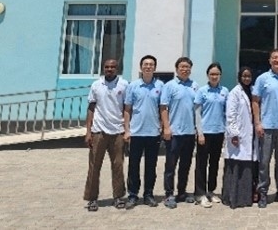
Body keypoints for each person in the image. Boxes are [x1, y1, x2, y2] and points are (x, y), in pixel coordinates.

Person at [83, 58, 129, 211]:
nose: (109, 69)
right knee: (94, 166)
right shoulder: (96, 85)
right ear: (103, 68)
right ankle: (92, 198)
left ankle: (118, 196)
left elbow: (127, 109)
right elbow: (91, 108)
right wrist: (88, 131)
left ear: (117, 69)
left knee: (118, 166)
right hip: (99, 131)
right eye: (107, 67)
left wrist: (127, 130)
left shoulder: (124, 85)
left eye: (112, 67)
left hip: (117, 131)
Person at [252, 48, 278, 207]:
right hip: (267, 126)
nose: (277, 60)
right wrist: (258, 123)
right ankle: (263, 192)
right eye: (274, 58)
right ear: (270, 60)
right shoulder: (262, 79)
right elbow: (255, 101)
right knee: (264, 161)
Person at [124, 54, 164, 208]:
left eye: (151, 64)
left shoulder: (160, 86)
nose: (148, 66)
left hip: (153, 133)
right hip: (136, 133)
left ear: (155, 67)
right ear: (141, 67)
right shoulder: (133, 86)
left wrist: (162, 126)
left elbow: (163, 108)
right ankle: (133, 195)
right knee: (133, 166)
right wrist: (127, 130)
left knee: (151, 166)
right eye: (146, 64)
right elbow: (127, 109)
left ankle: (148, 194)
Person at [159, 57, 199, 208]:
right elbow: (163, 108)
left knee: (185, 165)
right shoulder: (169, 86)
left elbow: (197, 109)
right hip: (174, 133)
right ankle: (169, 194)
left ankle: (182, 192)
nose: (185, 69)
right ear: (176, 69)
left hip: (190, 133)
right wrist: (166, 127)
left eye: (187, 67)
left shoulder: (194, 86)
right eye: (182, 67)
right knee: (171, 165)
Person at [222, 66, 258, 209]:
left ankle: (246, 197)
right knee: (236, 165)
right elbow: (230, 115)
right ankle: (233, 197)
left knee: (248, 166)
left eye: (249, 76)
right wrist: (234, 134)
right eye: (244, 76)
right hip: (238, 135)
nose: (246, 78)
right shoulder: (235, 93)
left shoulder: (253, 91)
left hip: (251, 133)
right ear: (239, 77)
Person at [194, 62, 229, 207]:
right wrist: (200, 132)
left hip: (219, 132)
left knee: (214, 163)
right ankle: (200, 193)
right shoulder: (202, 91)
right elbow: (197, 113)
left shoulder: (225, 91)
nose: (214, 76)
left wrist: (226, 131)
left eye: (217, 74)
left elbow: (226, 113)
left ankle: (211, 191)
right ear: (207, 75)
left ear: (220, 75)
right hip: (205, 133)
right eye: (212, 74)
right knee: (201, 163)